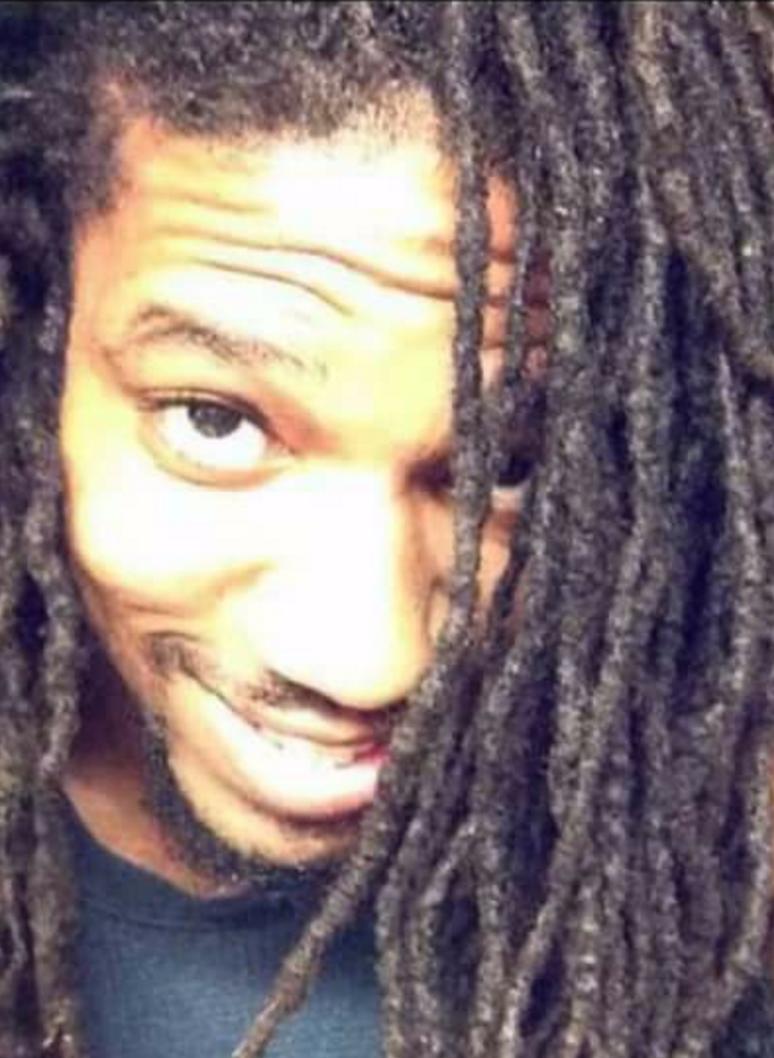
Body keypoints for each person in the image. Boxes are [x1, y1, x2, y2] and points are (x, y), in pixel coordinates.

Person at [1, 1, 773, 1055]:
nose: (367, 659)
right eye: (216, 422)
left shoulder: (703, 920)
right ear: (31, 346)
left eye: (505, 468)